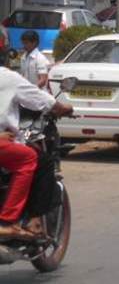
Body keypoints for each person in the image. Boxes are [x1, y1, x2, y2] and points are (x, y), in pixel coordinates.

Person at [0, 67, 73, 239]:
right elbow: (42, 100)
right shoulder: (7, 77)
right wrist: (63, 108)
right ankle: (10, 221)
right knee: (32, 159)